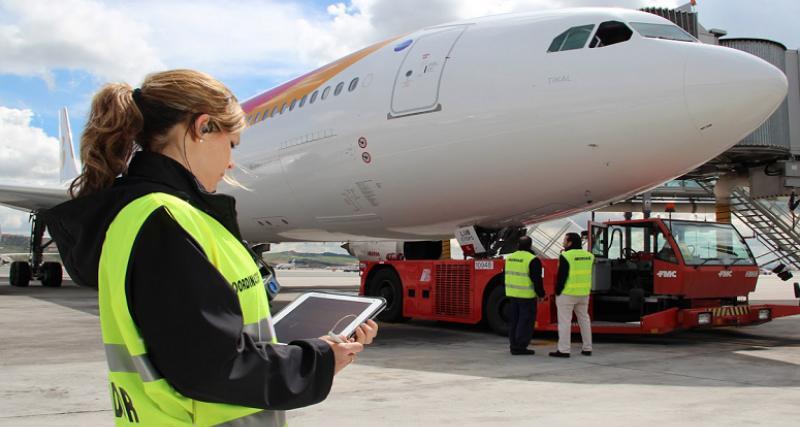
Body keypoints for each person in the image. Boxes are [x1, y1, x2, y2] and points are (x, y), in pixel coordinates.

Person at [43, 69, 377, 426]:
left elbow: (204, 338)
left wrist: (312, 344)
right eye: (231, 143)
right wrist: (320, 360)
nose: (232, 161)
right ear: (202, 128)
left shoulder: (163, 216)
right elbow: (212, 368)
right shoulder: (165, 222)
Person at [549, 232, 594, 358]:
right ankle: (587, 348)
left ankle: (564, 350)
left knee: (565, 322)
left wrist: (557, 291)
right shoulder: (589, 256)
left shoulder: (566, 256)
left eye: (565, 240)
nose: (563, 242)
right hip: (584, 293)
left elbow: (562, 276)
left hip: (568, 293)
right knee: (584, 320)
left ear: (570, 243)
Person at [504, 236, 545, 355]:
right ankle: (521, 347)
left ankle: (513, 345)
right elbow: (537, 279)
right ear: (530, 245)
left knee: (514, 321)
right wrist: (541, 294)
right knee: (525, 322)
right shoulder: (532, 259)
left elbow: (504, 276)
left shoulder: (510, 258)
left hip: (512, 294)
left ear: (518, 245)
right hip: (526, 296)